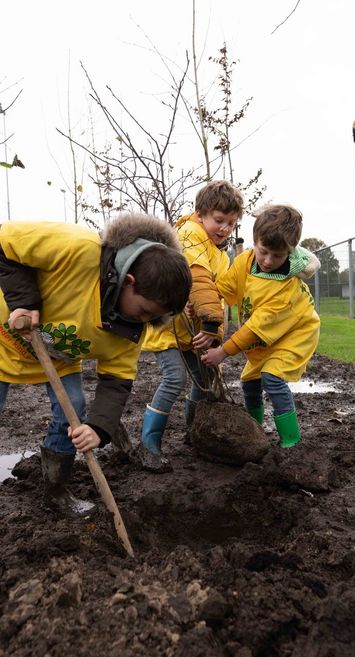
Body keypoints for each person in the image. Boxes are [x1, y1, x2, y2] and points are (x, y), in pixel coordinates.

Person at [0, 213, 192, 515]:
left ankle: (56, 491)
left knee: (73, 410)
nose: (145, 320)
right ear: (129, 281)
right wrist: (25, 301)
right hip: (3, 336)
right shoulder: (80, 250)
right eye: (144, 310)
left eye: (153, 317)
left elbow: (117, 380)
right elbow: (6, 241)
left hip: (55, 355)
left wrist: (99, 428)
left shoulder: (130, 330)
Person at [140, 180, 244, 471]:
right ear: (201, 214)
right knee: (174, 378)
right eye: (218, 220)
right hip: (170, 328)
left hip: (194, 332)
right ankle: (149, 444)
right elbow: (197, 279)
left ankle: (192, 433)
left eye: (231, 224)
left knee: (204, 380)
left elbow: (218, 293)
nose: (224, 228)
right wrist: (207, 319)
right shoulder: (190, 234)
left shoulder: (220, 253)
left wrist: (213, 329)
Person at [201, 203, 321, 448]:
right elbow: (225, 288)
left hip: (295, 334)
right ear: (255, 241)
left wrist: (223, 352)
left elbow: (255, 327)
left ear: (290, 252)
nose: (267, 260)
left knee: (272, 377)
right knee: (250, 380)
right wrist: (203, 302)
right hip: (268, 334)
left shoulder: (283, 289)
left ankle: (291, 441)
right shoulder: (245, 261)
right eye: (263, 251)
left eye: (278, 256)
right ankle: (256, 434)